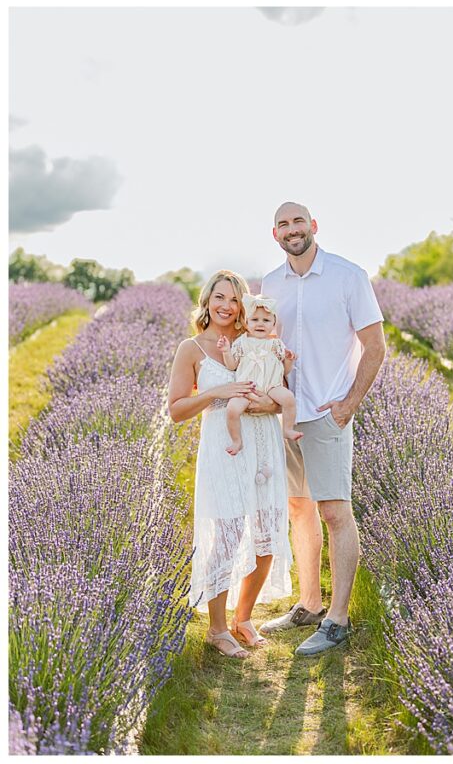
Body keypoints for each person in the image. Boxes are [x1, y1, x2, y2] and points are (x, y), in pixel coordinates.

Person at [258, 201, 386, 656]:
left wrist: (348, 405)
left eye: (298, 222)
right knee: (299, 508)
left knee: (335, 512)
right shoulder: (271, 285)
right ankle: (309, 604)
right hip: (287, 413)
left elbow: (376, 345)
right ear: (275, 235)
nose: (292, 230)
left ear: (313, 227)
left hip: (328, 414)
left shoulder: (348, 276)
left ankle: (338, 618)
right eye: (283, 225)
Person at [168, 270, 292, 659]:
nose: (226, 306)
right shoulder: (192, 349)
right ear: (206, 301)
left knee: (267, 534)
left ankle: (244, 618)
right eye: (219, 297)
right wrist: (218, 391)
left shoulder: (255, 340)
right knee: (226, 534)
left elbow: (279, 393)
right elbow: (176, 410)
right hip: (225, 448)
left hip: (264, 443)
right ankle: (217, 629)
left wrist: (267, 400)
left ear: (245, 306)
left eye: (235, 299)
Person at [218, 294, 303, 456]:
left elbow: (284, 371)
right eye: (255, 320)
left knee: (289, 399)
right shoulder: (241, 342)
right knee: (232, 410)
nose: (260, 324)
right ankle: (236, 440)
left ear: (273, 324)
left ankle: (287, 429)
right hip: (246, 388)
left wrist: (289, 360)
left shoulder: (275, 344)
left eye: (266, 320)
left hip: (271, 386)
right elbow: (232, 366)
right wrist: (226, 352)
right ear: (246, 322)